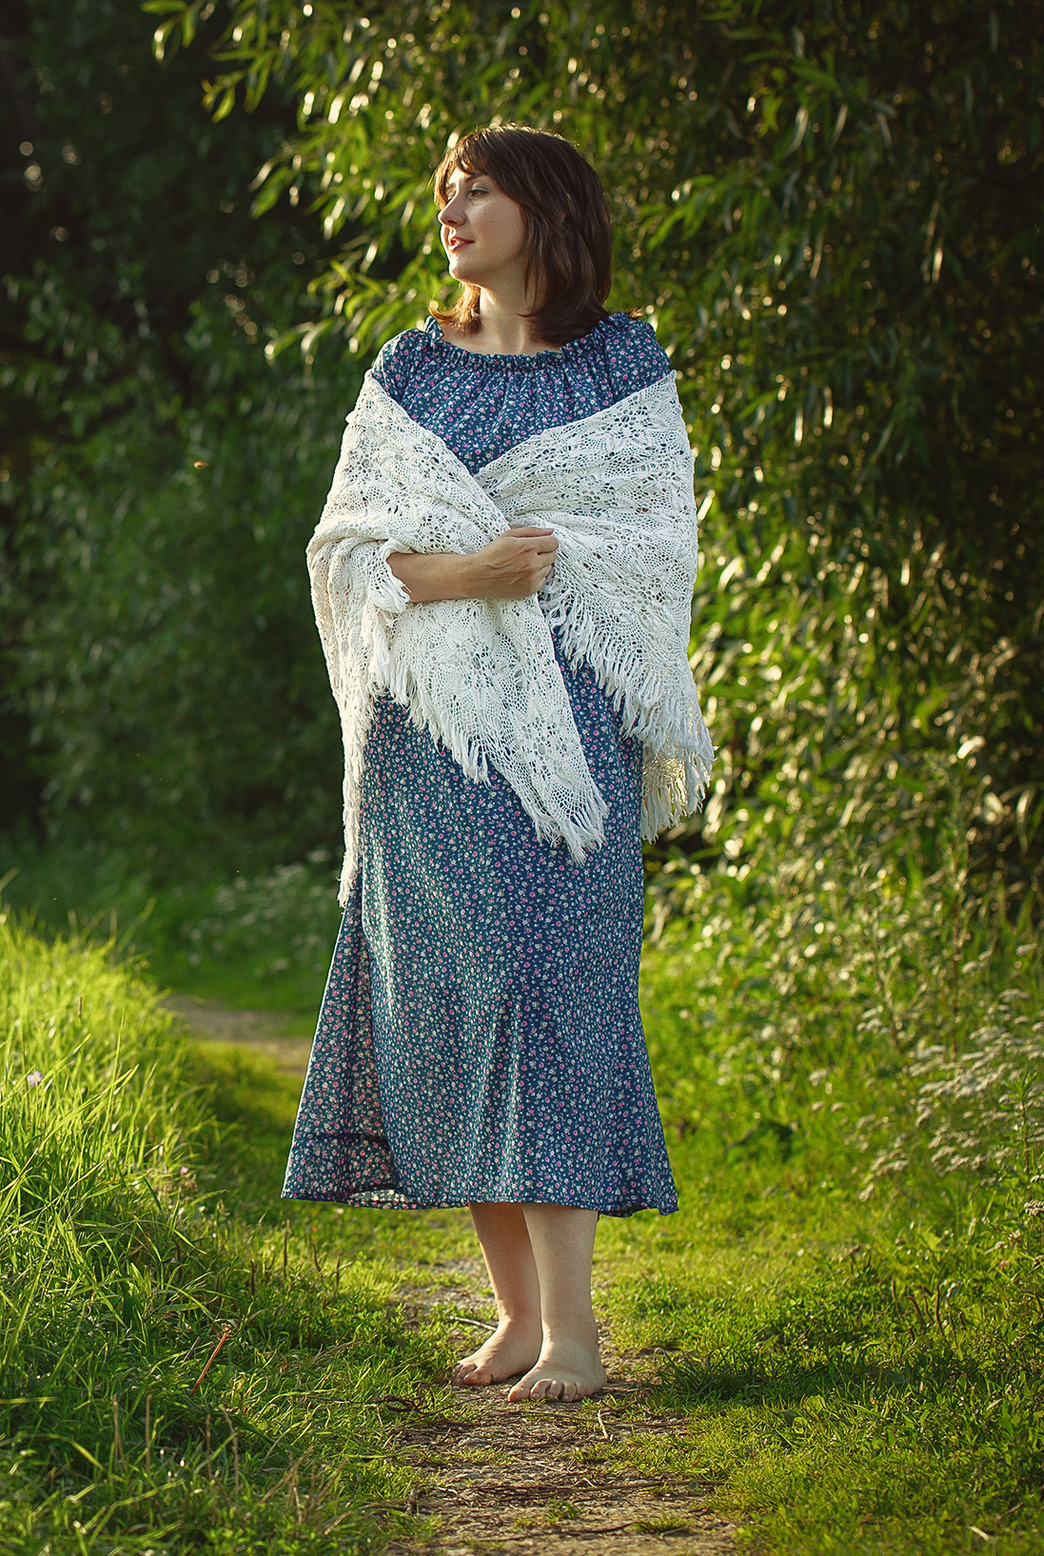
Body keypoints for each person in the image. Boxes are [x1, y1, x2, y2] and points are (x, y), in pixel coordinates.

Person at [285, 124, 711, 1402]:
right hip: (430, 738)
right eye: (447, 192)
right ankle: (515, 1320)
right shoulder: (409, 367)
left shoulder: (625, 363)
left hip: (565, 738)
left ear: (546, 206)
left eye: (479, 187)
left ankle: (577, 1332)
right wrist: (468, 573)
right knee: (457, 1004)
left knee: (550, 989)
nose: (455, 207)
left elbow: (650, 547)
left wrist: (533, 571)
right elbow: (345, 557)